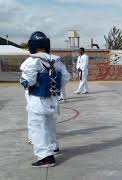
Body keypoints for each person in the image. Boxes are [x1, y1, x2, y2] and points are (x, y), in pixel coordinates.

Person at [20, 31, 70, 167]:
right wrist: (55, 90)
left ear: (32, 45)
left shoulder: (32, 61)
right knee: (49, 125)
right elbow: (65, 77)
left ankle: (45, 157)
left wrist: (24, 83)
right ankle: (53, 146)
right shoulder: (56, 60)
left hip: (37, 100)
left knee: (37, 127)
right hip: (52, 99)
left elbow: (28, 82)